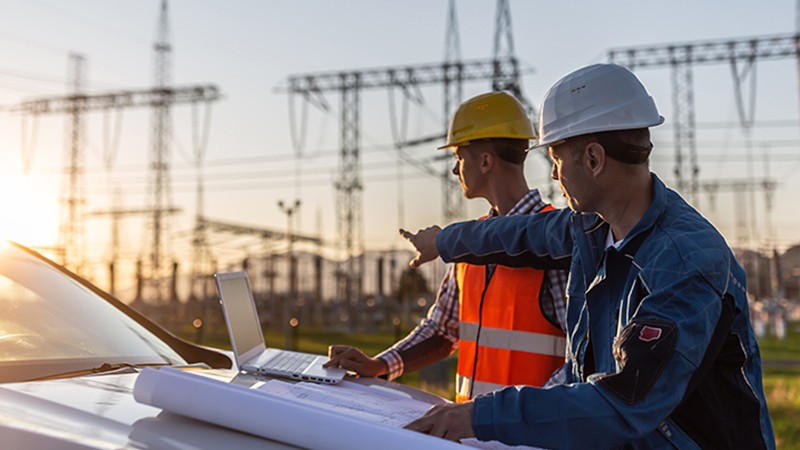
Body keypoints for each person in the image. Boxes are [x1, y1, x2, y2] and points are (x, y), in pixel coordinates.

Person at [402, 64, 776, 449]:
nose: (553, 177)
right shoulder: (592, 229)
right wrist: (442, 242)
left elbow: (624, 401)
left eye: (556, 160)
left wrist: (478, 416)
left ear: (594, 159)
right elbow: (515, 233)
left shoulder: (684, 262)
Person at [325, 91, 569, 402]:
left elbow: (579, 359)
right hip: (470, 432)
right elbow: (442, 330)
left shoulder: (555, 246)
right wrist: (380, 365)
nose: (455, 171)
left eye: (458, 157)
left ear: (484, 161)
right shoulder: (468, 245)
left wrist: (523, 419)